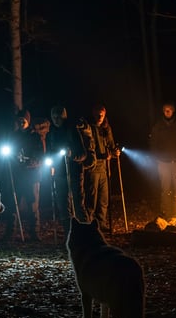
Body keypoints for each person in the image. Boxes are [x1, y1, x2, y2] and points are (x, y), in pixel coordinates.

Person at [3, 109, 48, 242]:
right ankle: (10, 233)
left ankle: (34, 233)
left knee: (32, 204)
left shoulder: (36, 137)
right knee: (12, 203)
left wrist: (30, 161)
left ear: (28, 121)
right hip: (17, 176)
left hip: (32, 176)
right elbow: (9, 154)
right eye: (19, 120)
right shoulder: (14, 136)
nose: (21, 122)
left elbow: (41, 156)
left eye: (24, 120)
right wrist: (12, 159)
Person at [45, 105, 89, 241]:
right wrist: (50, 162)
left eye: (59, 117)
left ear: (64, 117)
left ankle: (87, 234)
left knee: (77, 204)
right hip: (59, 173)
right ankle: (69, 236)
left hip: (74, 172)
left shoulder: (72, 131)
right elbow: (50, 152)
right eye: (54, 117)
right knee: (63, 205)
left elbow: (83, 154)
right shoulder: (51, 133)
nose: (56, 120)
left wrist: (72, 155)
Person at [149, 101, 176, 220]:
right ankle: (166, 213)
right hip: (164, 162)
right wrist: (157, 157)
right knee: (166, 188)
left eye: (169, 109)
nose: (167, 112)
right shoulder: (158, 126)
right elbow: (153, 143)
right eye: (165, 110)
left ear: (173, 110)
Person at [84, 103, 120, 232]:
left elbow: (110, 145)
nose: (100, 116)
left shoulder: (106, 128)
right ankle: (89, 224)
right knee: (91, 198)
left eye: (102, 114)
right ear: (93, 114)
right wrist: (101, 155)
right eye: (98, 114)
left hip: (105, 168)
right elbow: (88, 148)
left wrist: (114, 152)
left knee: (103, 199)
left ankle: (102, 223)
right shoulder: (88, 128)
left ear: (105, 115)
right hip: (93, 168)